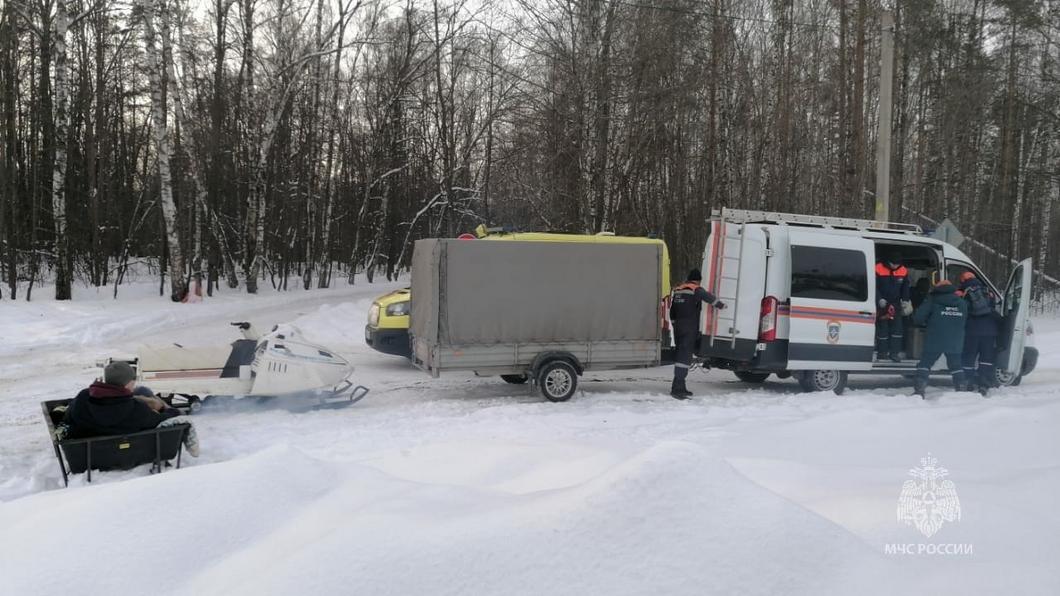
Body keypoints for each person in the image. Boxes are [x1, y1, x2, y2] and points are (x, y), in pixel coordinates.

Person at [63, 361, 181, 438]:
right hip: (114, 451)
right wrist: (171, 411)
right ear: (128, 384)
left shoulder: (83, 396)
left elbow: (67, 417)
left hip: (86, 446)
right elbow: (159, 420)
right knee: (144, 392)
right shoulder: (135, 409)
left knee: (142, 391)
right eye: (132, 383)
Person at [669, 268, 726, 399]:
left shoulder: (678, 290)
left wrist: (674, 323)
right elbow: (710, 298)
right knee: (684, 358)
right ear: (698, 280)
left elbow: (672, 311)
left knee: (680, 356)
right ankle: (677, 388)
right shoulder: (696, 289)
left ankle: (679, 385)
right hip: (689, 328)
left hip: (678, 327)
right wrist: (722, 306)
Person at [912, 279, 968, 397]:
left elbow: (918, 318)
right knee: (956, 366)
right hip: (955, 339)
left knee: (925, 364)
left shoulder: (932, 300)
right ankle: (961, 390)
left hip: (935, 338)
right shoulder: (962, 302)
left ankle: (919, 390)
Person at [956, 271, 999, 394]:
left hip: (971, 331)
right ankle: (984, 385)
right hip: (989, 331)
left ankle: (968, 382)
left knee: (968, 357)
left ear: (963, 280)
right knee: (986, 358)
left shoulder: (961, 293)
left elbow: (962, 310)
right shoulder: (987, 291)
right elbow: (993, 307)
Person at [875, 252, 912, 362]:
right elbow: (873, 286)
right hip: (882, 305)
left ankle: (894, 353)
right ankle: (882, 353)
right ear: (888, 262)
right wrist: (879, 299)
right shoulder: (878, 268)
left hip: (896, 304)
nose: (895, 266)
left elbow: (905, 287)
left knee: (897, 330)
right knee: (883, 330)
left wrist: (905, 300)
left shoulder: (903, 270)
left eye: (897, 265)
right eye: (893, 264)